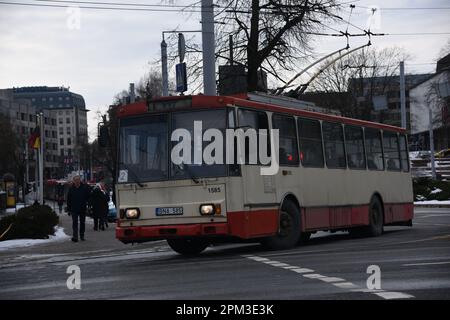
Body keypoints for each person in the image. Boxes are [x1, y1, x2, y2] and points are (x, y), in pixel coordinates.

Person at [67, 175, 91, 242]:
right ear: (73, 181)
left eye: (78, 180)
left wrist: (88, 205)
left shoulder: (84, 188)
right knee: (75, 223)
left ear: (80, 180)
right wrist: (69, 209)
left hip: (82, 208)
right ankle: (75, 236)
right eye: (75, 180)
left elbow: (88, 197)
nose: (77, 181)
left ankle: (82, 235)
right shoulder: (71, 189)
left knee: (82, 223)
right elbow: (69, 199)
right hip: (74, 209)